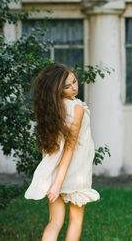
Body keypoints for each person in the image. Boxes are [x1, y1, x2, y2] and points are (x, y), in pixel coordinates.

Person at [24, 63, 100, 241]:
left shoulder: (51, 108)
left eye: (74, 81)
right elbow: (70, 147)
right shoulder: (76, 108)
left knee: (55, 222)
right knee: (75, 220)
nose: (74, 88)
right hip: (75, 171)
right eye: (67, 86)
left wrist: (55, 180)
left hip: (54, 169)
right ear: (57, 89)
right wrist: (58, 184)